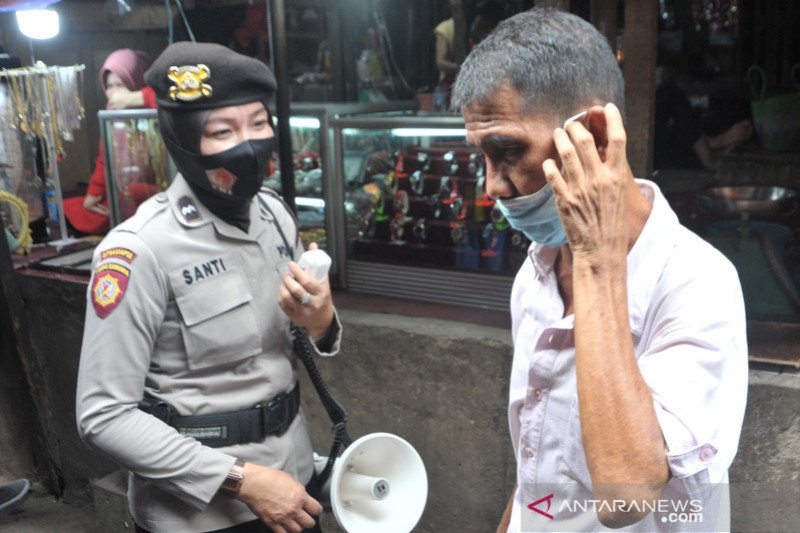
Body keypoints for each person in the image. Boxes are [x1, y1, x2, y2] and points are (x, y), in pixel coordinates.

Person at [452, 9, 747, 532]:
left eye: (507, 152)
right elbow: (536, 462)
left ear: (591, 133)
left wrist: (596, 258)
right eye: (482, 157)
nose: (493, 186)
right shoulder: (538, 273)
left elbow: (626, 496)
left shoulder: (699, 283)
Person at [75, 42, 341, 533]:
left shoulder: (275, 216)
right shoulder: (138, 250)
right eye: (223, 131)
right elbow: (103, 416)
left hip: (295, 484)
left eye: (259, 123)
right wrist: (242, 479)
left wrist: (322, 322)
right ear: (183, 139)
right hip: (201, 515)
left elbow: (289, 340)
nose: (249, 143)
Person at [63, 49, 158, 236]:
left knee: (134, 193)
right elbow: (105, 158)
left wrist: (136, 99)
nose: (114, 93)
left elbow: (172, 96)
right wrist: (93, 193)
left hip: (161, 191)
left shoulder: (157, 105)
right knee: (80, 209)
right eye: (109, 86)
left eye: (121, 84)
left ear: (137, 81)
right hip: (125, 191)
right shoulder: (113, 118)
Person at [654, 66, 752, 171]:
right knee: (669, 92)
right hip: (656, 155)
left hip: (668, 150)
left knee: (706, 120)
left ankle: (713, 145)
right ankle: (713, 147)